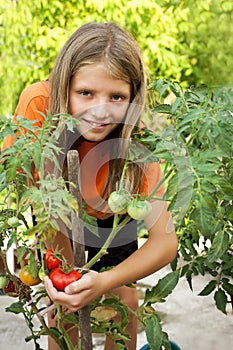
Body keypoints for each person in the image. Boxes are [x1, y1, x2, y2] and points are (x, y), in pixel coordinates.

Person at [2, 22, 178, 350]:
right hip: (56, 211)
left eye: (117, 96)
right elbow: (36, 197)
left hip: (113, 215)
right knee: (65, 311)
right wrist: (60, 278)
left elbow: (165, 244)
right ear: (63, 86)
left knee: (123, 305)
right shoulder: (39, 106)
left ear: (132, 98)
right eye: (86, 93)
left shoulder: (136, 133)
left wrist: (105, 282)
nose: (100, 109)